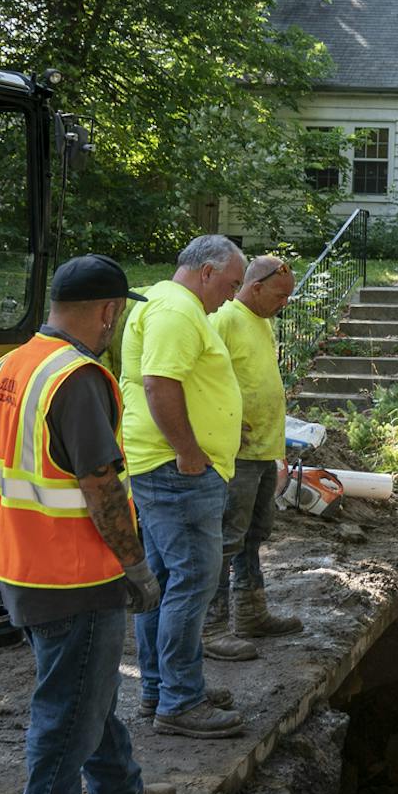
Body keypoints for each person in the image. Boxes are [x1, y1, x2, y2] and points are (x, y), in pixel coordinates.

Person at [0, 254, 175, 794]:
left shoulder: (16, 363)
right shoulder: (79, 378)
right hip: (74, 575)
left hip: (20, 562)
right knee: (67, 712)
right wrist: (137, 566)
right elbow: (100, 486)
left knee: (89, 692)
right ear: (109, 310)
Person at [119, 234, 247, 737]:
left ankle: (163, 688)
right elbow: (159, 384)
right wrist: (190, 453)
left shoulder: (170, 304)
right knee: (193, 581)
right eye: (232, 284)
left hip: (165, 469)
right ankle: (180, 700)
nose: (233, 296)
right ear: (208, 272)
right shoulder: (175, 311)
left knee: (165, 585)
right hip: (178, 473)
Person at [208, 254, 304, 645]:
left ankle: (250, 613)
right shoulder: (225, 320)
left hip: (264, 449)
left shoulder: (262, 323)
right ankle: (213, 626)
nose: (284, 304)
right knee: (229, 535)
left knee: (255, 532)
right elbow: (206, 379)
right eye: (280, 295)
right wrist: (224, 422)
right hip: (238, 452)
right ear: (256, 287)